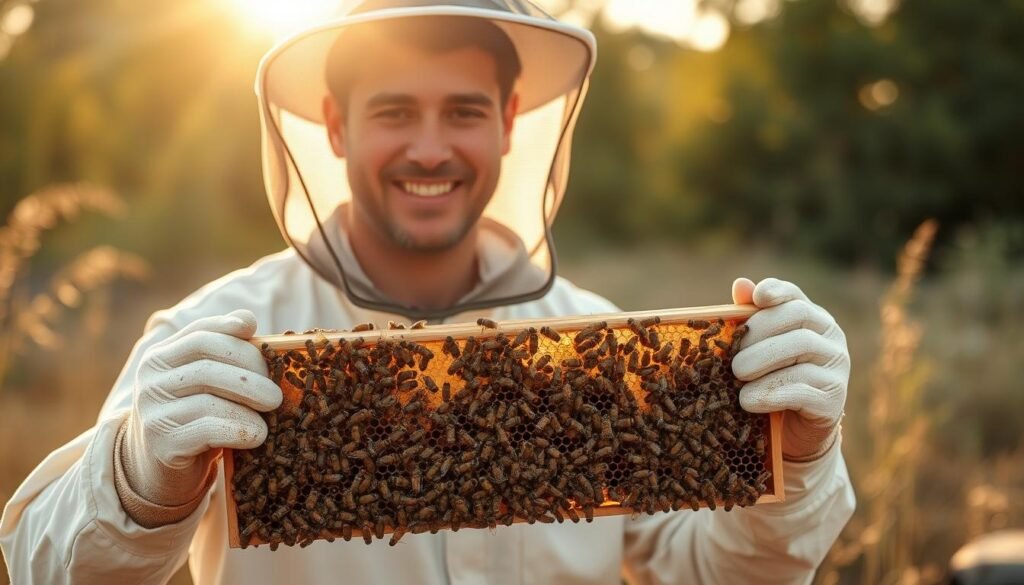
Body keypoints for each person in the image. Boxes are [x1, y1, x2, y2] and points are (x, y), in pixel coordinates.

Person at [0, 1, 855, 583]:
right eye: (395, 111)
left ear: (511, 119)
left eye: (463, 111)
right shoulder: (213, 336)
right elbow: (40, 560)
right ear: (335, 126)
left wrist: (800, 456)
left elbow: (716, 569)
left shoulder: (595, 342)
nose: (431, 148)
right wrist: (138, 478)